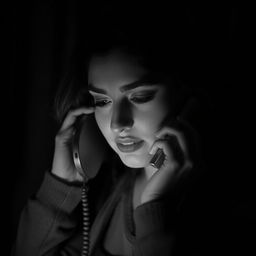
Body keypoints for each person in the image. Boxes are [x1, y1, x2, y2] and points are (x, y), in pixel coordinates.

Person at [12, 29, 214, 256]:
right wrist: (61, 187)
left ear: (188, 99)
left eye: (140, 97)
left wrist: (156, 207)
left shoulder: (222, 211)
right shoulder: (109, 190)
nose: (117, 124)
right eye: (102, 101)